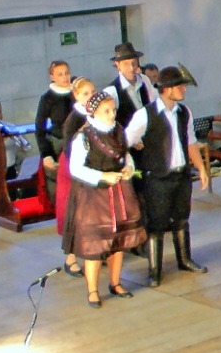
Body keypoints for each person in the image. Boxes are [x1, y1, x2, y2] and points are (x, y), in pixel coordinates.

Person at [125, 65, 211, 287]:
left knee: (182, 218)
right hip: (157, 178)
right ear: (167, 89)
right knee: (156, 224)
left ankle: (185, 259)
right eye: (180, 86)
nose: (184, 89)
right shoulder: (145, 114)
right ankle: (154, 270)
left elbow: (190, 142)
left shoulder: (184, 112)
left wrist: (201, 168)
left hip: (181, 175)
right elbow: (125, 140)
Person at [62, 90, 147, 309]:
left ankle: (115, 283)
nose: (112, 114)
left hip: (118, 193)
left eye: (113, 110)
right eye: (106, 111)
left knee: (117, 241)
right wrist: (102, 177)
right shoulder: (83, 137)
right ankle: (92, 290)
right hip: (92, 196)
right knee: (95, 244)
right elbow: (75, 168)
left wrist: (129, 169)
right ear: (94, 112)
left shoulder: (118, 131)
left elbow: (126, 155)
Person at [56, 78, 98, 277]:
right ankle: (71, 258)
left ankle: (94, 253)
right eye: (85, 94)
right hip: (73, 168)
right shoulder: (74, 118)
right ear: (76, 96)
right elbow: (69, 148)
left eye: (92, 92)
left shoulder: (96, 113)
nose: (90, 96)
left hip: (92, 166)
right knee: (75, 213)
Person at [36, 60, 73, 203]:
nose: (64, 77)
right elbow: (40, 128)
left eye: (66, 73)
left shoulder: (77, 92)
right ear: (52, 77)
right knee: (60, 192)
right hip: (58, 145)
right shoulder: (47, 98)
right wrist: (46, 154)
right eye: (60, 74)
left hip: (79, 142)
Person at [105, 42, 156, 128]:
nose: (131, 68)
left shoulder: (144, 80)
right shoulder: (112, 91)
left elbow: (154, 105)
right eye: (126, 64)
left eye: (134, 63)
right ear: (118, 65)